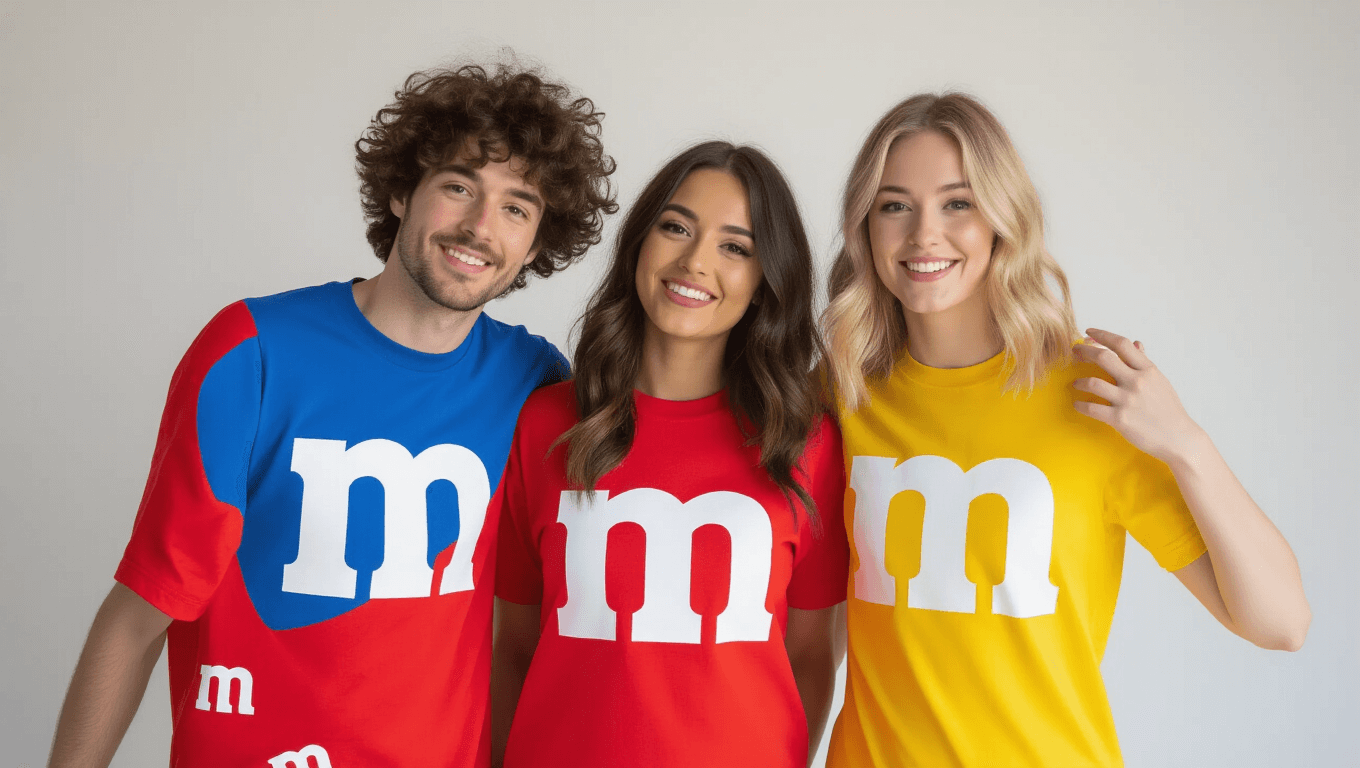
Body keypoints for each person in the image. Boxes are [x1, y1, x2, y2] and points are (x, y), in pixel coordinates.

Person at [47, 63, 617, 768]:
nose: (479, 227)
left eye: (516, 208)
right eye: (459, 187)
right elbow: (141, 616)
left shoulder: (533, 383)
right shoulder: (254, 353)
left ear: (537, 243)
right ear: (403, 192)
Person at [820, 93, 1311, 768]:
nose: (923, 235)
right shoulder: (842, 393)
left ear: (1002, 218)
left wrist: (1186, 443)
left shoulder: (1094, 395)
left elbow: (1281, 622)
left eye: (958, 203)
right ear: (865, 227)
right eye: (895, 205)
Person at [490, 142, 849, 768]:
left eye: (735, 247)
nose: (694, 261)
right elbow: (514, 644)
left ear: (767, 280)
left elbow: (811, 658)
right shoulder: (547, 423)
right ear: (639, 243)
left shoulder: (805, 441)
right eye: (676, 228)